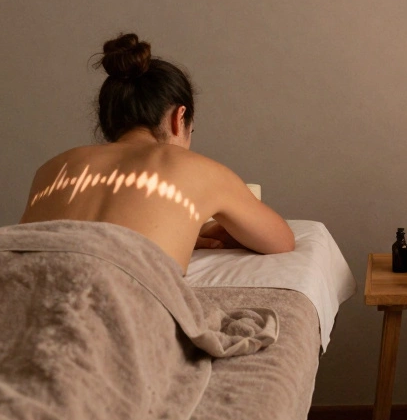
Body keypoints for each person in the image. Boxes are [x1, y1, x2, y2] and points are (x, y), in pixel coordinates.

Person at [20, 32, 294, 270]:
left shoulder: (53, 169)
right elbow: (281, 241)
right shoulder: (193, 167)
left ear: (108, 120)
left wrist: (177, 227)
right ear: (179, 117)